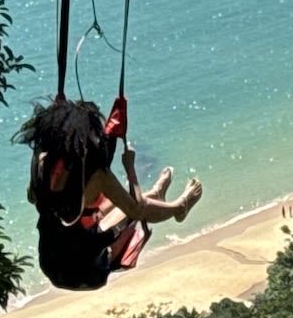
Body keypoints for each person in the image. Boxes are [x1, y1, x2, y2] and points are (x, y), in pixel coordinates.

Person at [18, 98, 201, 292]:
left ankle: (155, 193)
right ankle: (179, 208)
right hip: (87, 272)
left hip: (51, 263)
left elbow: (32, 197)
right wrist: (130, 168)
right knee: (134, 208)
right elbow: (137, 209)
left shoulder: (41, 161)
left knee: (101, 209)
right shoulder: (96, 176)